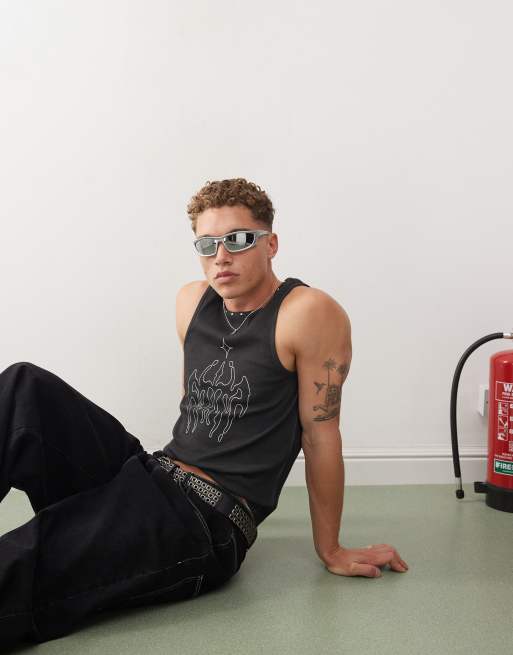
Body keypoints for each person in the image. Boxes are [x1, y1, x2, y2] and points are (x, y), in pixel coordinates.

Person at [0, 178, 408, 647]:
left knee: (24, 557)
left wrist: (330, 548)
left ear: (271, 244)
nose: (221, 256)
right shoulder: (191, 301)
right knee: (24, 387)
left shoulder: (306, 312)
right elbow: (195, 408)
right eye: (207, 244)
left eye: (238, 239)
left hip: (204, 520)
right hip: (151, 473)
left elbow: (321, 435)